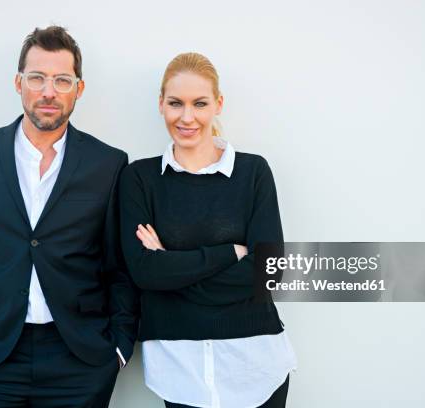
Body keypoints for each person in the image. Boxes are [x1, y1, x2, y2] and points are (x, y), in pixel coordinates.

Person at [0, 25, 138, 407]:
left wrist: (118, 348)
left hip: (79, 361)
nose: (48, 91)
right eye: (37, 77)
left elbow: (119, 267)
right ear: (18, 82)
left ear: (79, 88)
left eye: (62, 80)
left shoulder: (109, 164)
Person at [119, 52, 297, 408]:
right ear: (161, 105)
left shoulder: (253, 173)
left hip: (256, 366)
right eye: (176, 103)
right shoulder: (139, 178)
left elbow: (269, 272)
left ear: (218, 104)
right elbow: (144, 272)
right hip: (179, 370)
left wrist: (172, 267)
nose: (187, 117)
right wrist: (229, 254)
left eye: (199, 103)